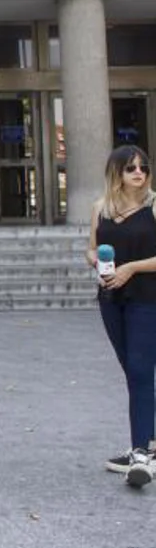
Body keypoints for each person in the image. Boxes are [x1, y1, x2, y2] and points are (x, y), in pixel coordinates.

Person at [88, 146, 156, 488]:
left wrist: (130, 268)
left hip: (148, 297)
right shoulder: (101, 208)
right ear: (117, 172)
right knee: (133, 369)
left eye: (143, 167)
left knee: (142, 370)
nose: (139, 172)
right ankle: (151, 442)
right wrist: (98, 263)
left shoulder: (154, 205)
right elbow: (90, 247)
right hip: (111, 298)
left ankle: (141, 454)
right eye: (131, 168)